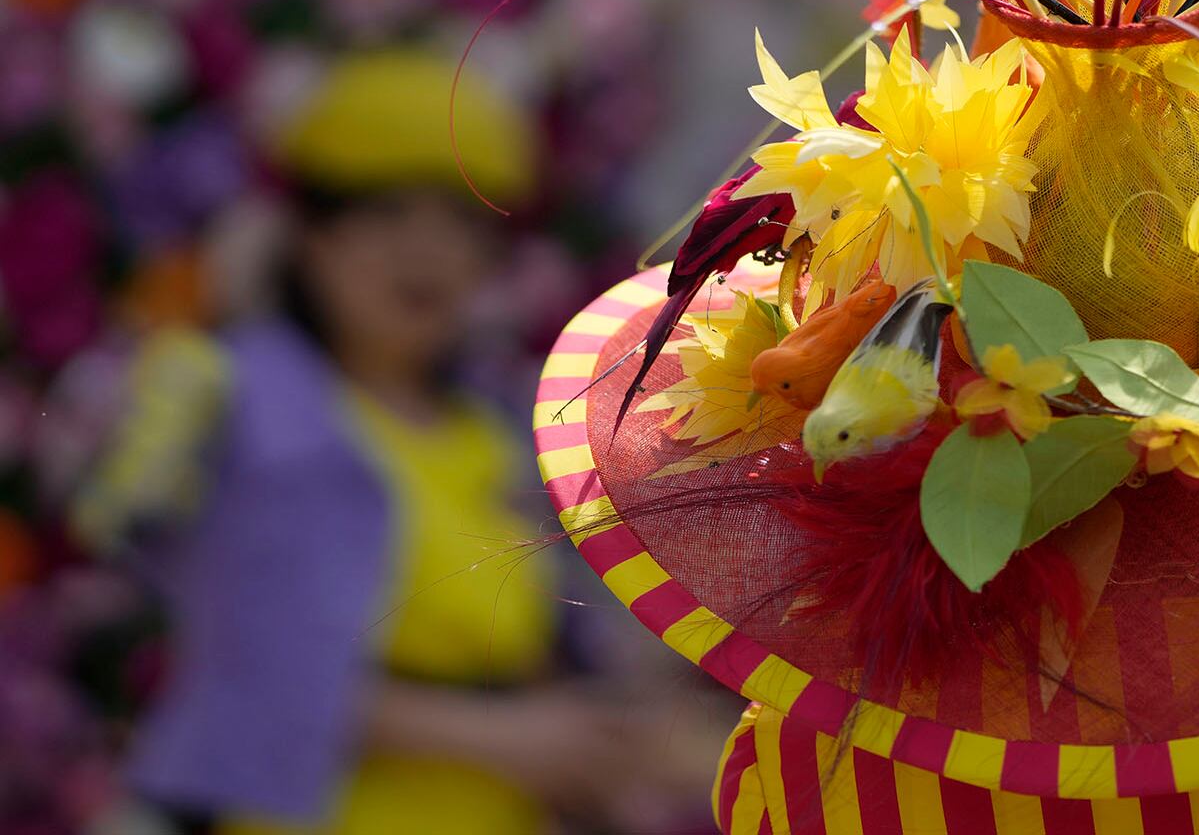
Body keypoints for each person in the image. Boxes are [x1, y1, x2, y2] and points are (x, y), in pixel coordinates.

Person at [71, 50, 723, 835]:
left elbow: (536, 660)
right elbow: (232, 660)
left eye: (462, 224)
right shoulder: (221, 391)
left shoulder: (495, 433)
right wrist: (510, 739)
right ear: (311, 232)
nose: (428, 253)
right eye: (388, 213)